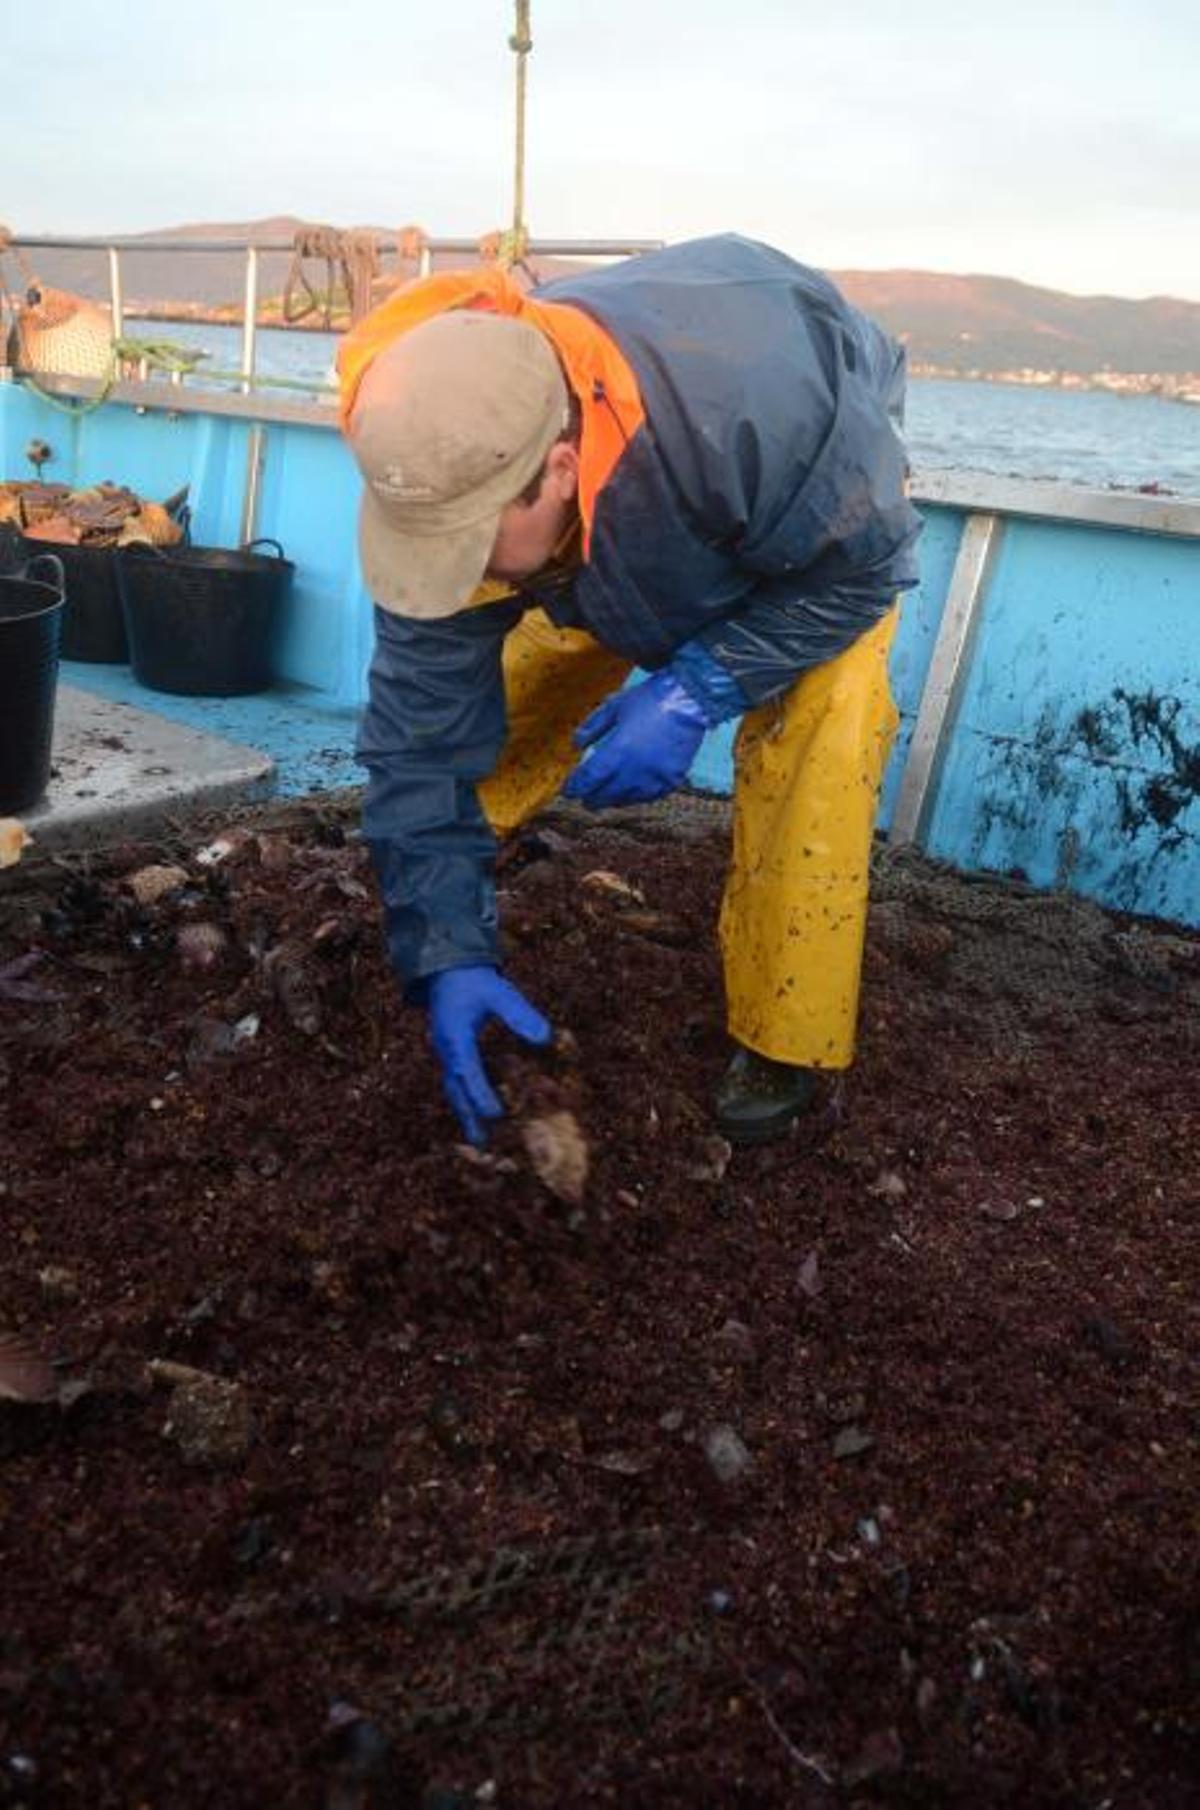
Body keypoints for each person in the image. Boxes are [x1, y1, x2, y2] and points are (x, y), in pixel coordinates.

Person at [337, 235, 921, 1148]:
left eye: (470, 541)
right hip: (631, 502)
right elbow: (418, 737)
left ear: (559, 473)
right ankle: (447, 892)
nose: (452, 569)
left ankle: (787, 1034)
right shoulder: (455, 441)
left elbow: (860, 574)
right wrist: (445, 951)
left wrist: (697, 688)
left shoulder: (761, 418)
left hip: (812, 515)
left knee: (826, 719)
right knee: (516, 666)